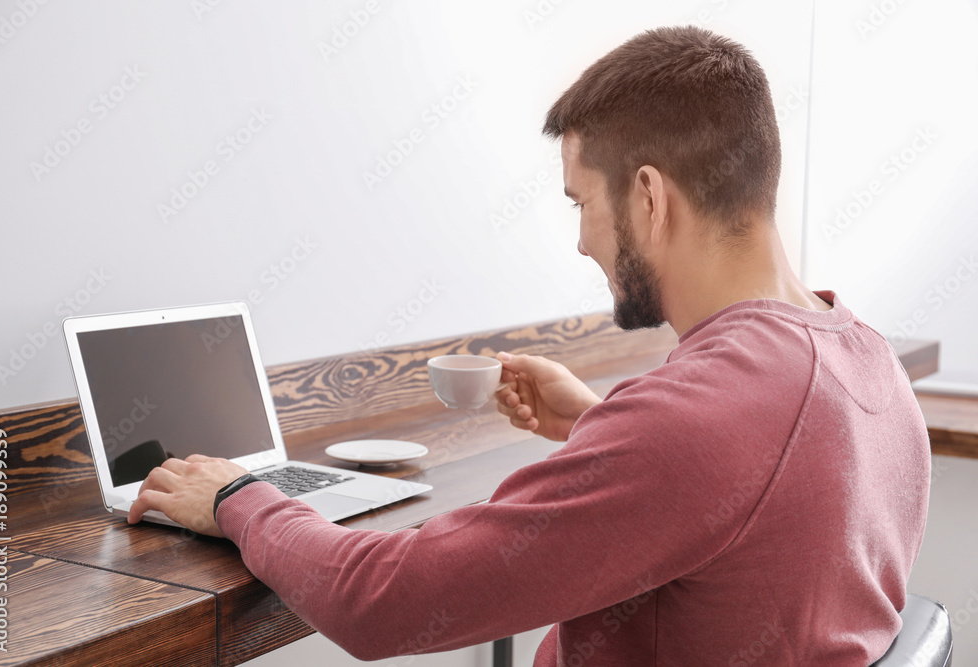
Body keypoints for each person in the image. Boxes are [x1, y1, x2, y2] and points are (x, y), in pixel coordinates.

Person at [128, 25, 930, 665]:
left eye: (581, 201)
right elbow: (739, 486)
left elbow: (384, 605)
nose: (582, 241)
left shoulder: (701, 418)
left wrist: (240, 499)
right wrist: (599, 422)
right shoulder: (865, 355)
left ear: (649, 197)